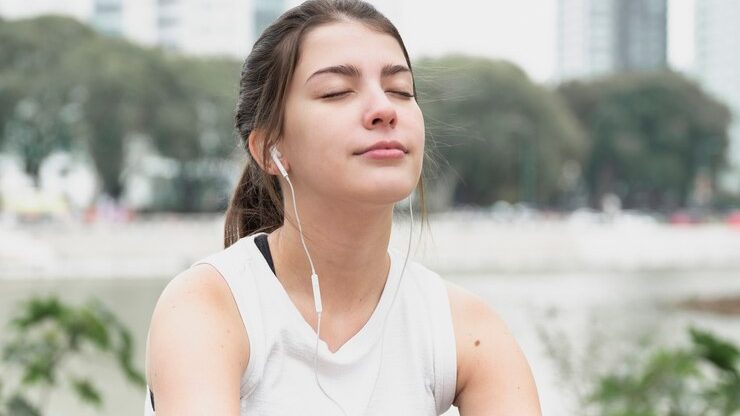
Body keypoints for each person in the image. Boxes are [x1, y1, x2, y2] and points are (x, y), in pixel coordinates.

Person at [144, 0, 541, 414]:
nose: (384, 110)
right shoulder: (208, 307)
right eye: (336, 92)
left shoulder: (466, 329)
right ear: (270, 148)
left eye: (400, 91)